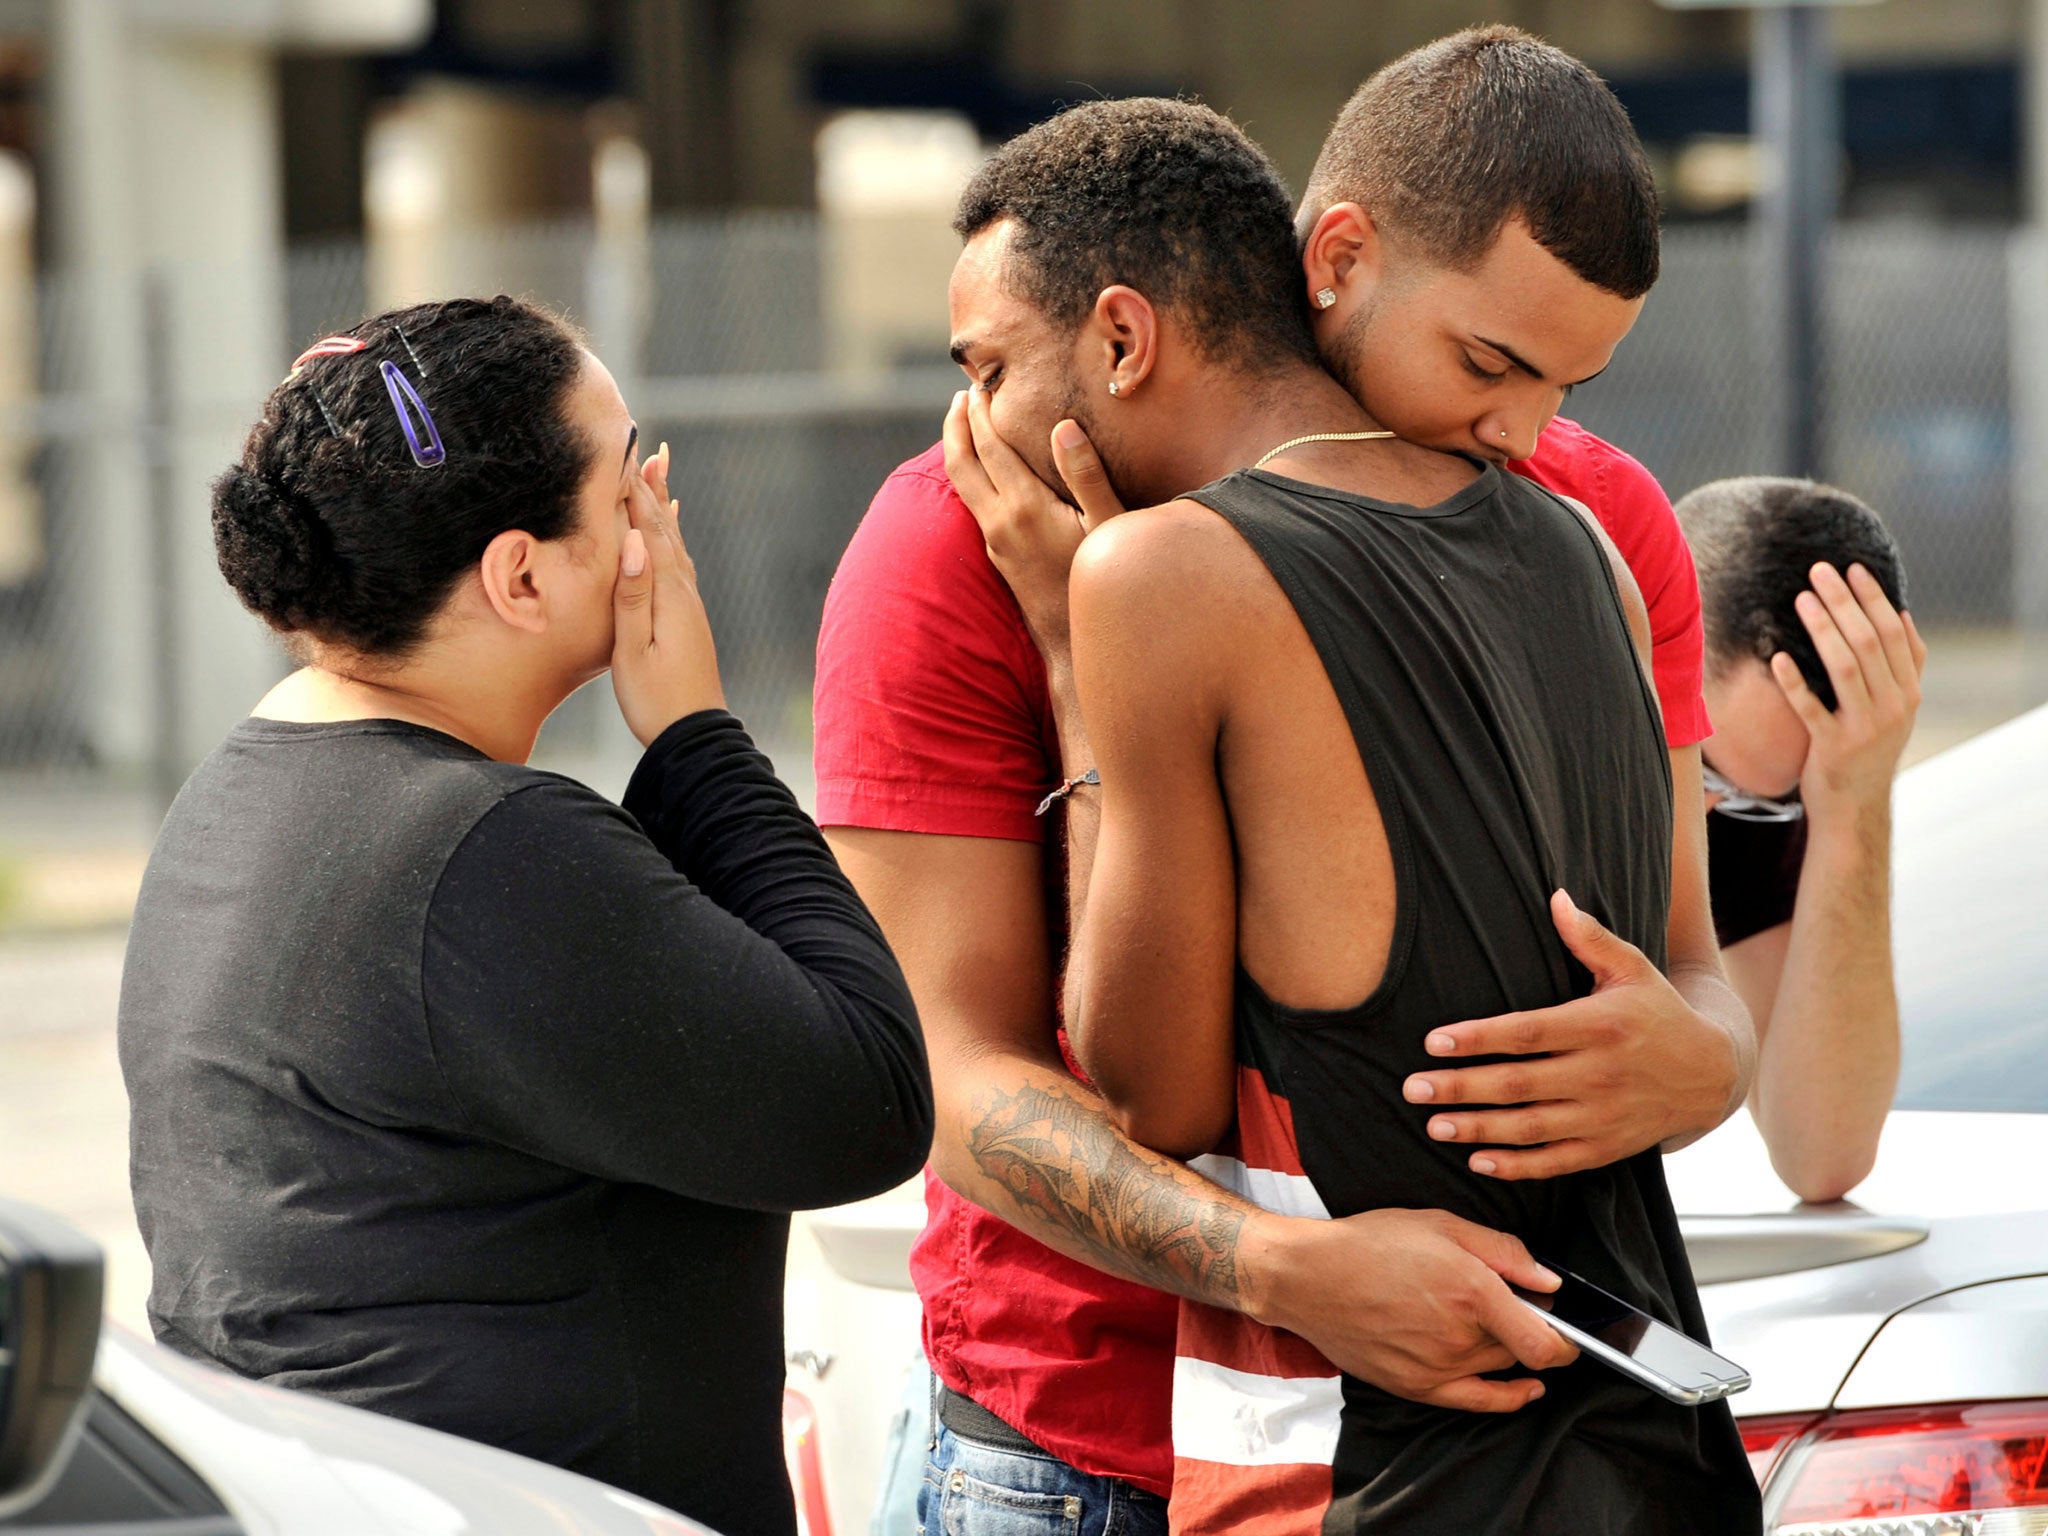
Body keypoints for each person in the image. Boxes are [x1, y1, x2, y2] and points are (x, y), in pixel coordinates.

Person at [814, 27, 1752, 1533]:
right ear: (1337, 257)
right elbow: (955, 1070)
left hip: (1466, 1423)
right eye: (1492, 365)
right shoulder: (951, 541)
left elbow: (1694, 977)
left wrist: (1710, 1059)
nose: (1525, 432)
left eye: (1561, 385)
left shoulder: (1586, 512)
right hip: (1088, 1446)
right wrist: (1287, 1273)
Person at [118, 297, 933, 1536]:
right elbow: (866, 1099)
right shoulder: (481, 852)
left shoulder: (239, 792)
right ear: (519, 573)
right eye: (626, 486)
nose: (656, 519)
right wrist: (701, 739)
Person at [1676, 476, 1923, 1202]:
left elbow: (1821, 1154)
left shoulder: (1761, 799)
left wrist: (1853, 806)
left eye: (1762, 801)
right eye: (1702, 768)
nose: (1713, 812)